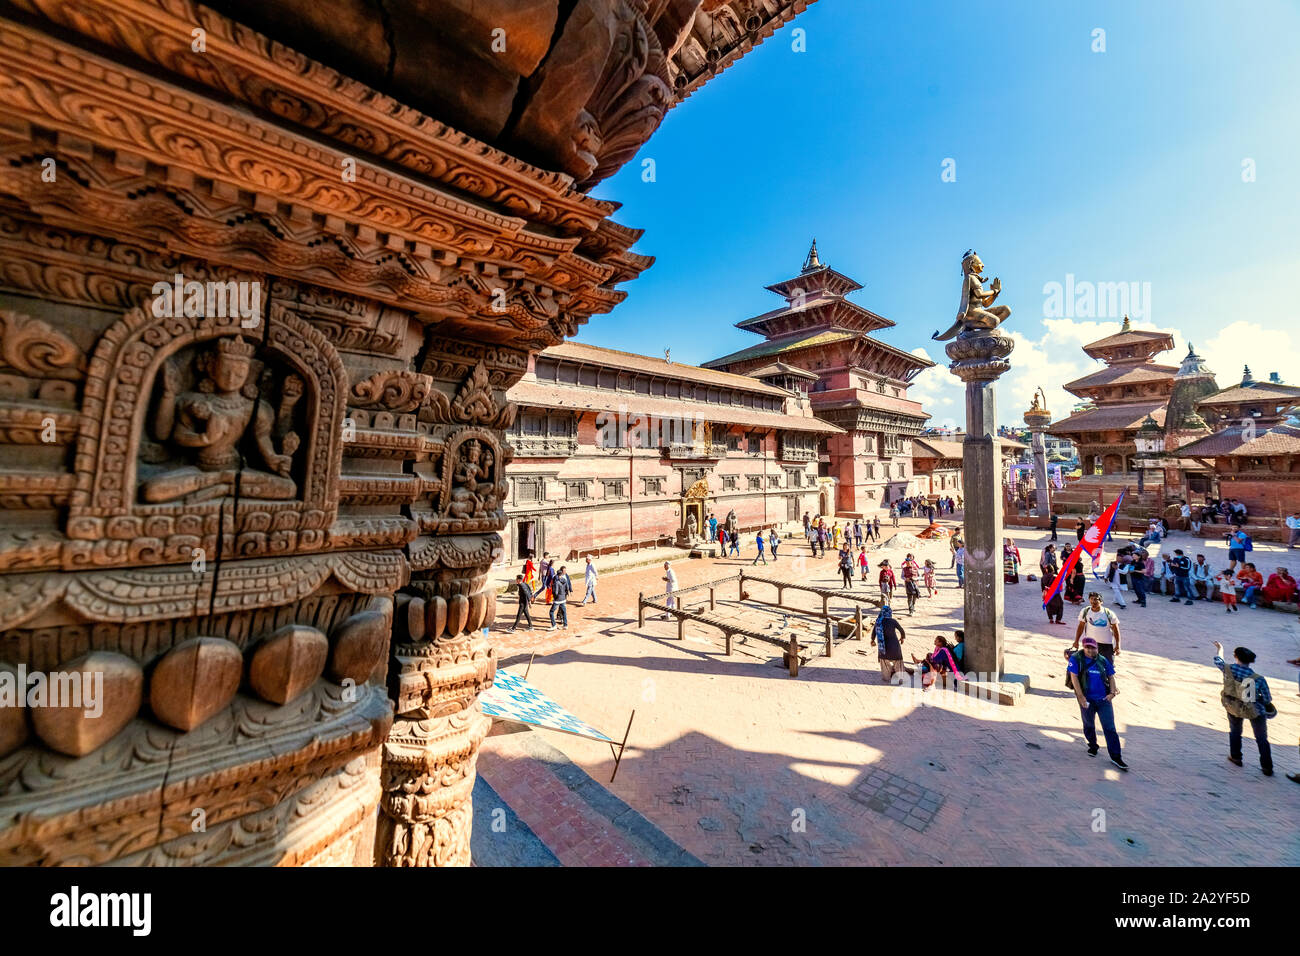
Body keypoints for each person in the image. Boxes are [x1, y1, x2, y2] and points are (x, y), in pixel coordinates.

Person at [1213, 641, 1274, 776]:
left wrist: (1220, 648)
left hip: (1232, 705)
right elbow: (1267, 699)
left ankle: (1236, 757)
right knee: (1261, 738)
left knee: (1235, 731)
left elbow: (1218, 660)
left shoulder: (1228, 669)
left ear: (1235, 657)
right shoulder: (1259, 679)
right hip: (1254, 710)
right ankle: (1267, 767)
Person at [1067, 636, 1127, 770]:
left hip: (1103, 700)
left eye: (1092, 647)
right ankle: (1093, 745)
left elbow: (1111, 676)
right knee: (1088, 724)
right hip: (1086, 699)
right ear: (1084, 647)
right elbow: (1074, 678)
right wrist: (1081, 697)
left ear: (1097, 648)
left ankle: (1116, 757)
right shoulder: (1076, 659)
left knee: (1110, 728)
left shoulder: (1102, 660)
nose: (1089, 650)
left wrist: (1111, 693)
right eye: (1087, 647)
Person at [1073, 592, 1121, 659]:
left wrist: (1118, 645)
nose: (1093, 601)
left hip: (1106, 644)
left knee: (1107, 665)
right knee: (1089, 665)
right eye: (1091, 599)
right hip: (1090, 643)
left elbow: (1115, 629)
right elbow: (1081, 626)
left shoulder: (1109, 613)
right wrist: (1076, 641)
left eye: (1096, 599)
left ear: (1101, 602)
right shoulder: (1085, 611)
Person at [874, 606, 907, 683]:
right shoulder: (893, 621)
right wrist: (902, 638)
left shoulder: (878, 622)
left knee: (885, 663)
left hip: (883, 648)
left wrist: (872, 640)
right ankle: (901, 679)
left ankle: (886, 678)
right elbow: (902, 631)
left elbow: (874, 633)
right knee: (898, 663)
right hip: (894, 646)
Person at [548, 565, 572, 630]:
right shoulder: (564, 580)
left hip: (558, 599)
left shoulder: (556, 582)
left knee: (551, 612)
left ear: (557, 574)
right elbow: (567, 588)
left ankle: (554, 625)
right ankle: (565, 625)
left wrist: (555, 598)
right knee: (564, 612)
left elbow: (555, 592)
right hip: (563, 598)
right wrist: (565, 595)